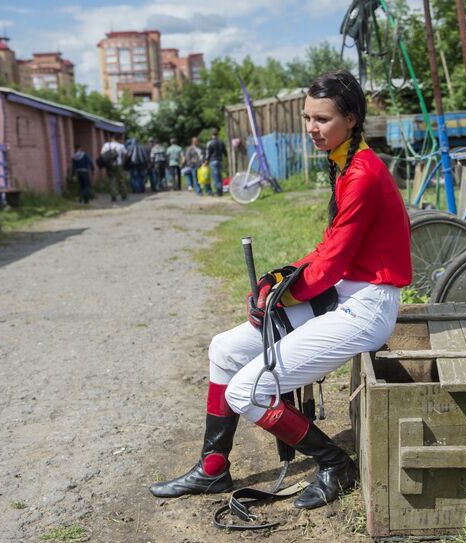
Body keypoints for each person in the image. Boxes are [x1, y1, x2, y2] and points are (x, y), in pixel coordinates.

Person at [149, 71, 412, 510]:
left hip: (367, 305)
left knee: (245, 391)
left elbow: (333, 261)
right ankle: (213, 467)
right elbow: (329, 248)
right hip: (342, 293)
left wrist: (280, 294)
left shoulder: (363, 173)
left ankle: (335, 463)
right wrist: (281, 278)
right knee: (223, 349)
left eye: (322, 119)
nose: (312, 128)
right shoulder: (344, 161)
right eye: (307, 117)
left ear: (351, 118)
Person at [101, 134, 127, 201]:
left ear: (112, 138)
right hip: (118, 164)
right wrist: (122, 162)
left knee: (112, 180)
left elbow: (102, 154)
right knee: (121, 180)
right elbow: (125, 154)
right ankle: (123, 195)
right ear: (118, 139)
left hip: (110, 165)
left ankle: (113, 195)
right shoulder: (121, 146)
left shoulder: (106, 145)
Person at [205, 128, 226, 196]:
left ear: (211, 134)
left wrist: (206, 161)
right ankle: (220, 191)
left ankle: (218, 192)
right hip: (220, 160)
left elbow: (209, 153)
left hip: (213, 161)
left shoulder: (210, 143)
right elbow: (225, 152)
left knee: (216, 177)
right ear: (218, 134)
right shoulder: (221, 142)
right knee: (219, 176)